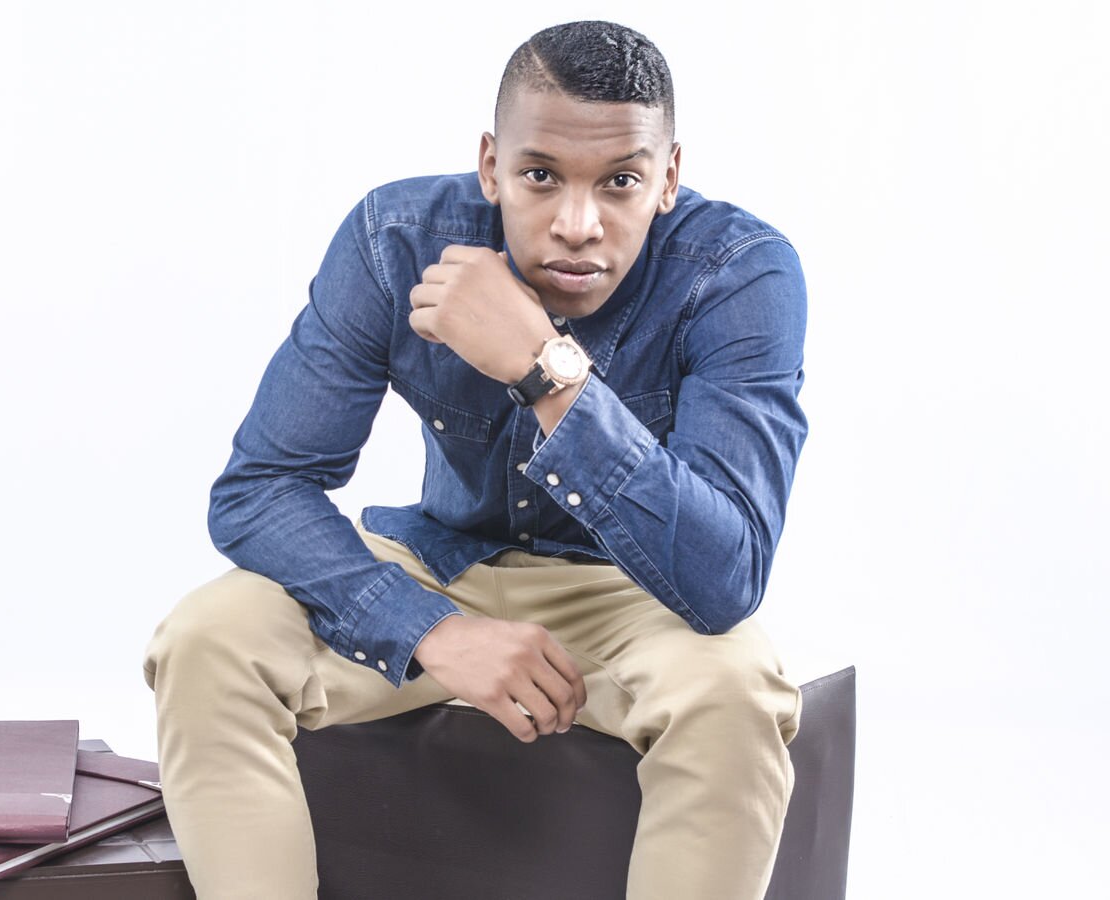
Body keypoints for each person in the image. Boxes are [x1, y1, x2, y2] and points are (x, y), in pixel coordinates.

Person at [143, 19, 807, 900]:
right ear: (492, 166)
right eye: (541, 176)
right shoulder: (398, 240)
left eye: (620, 182)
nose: (577, 225)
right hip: (440, 566)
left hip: (636, 597)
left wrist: (545, 369)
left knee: (735, 692)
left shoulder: (739, 272)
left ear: (669, 178)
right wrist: (430, 630)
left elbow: (727, 577)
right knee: (206, 640)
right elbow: (261, 489)